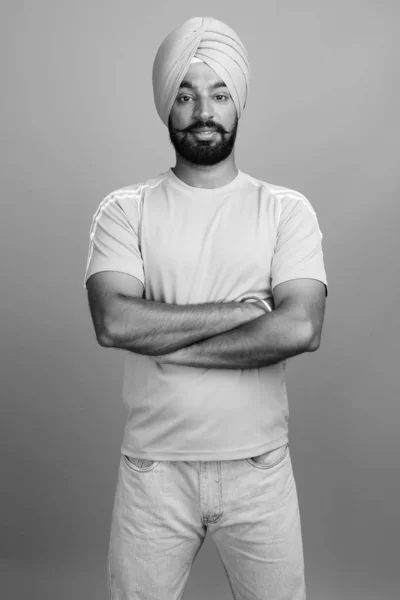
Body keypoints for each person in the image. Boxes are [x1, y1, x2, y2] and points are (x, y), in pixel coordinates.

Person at [84, 16, 328, 600]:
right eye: (187, 94)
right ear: (168, 106)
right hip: (153, 473)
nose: (203, 110)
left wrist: (167, 341)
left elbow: (300, 326)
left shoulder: (285, 210)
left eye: (219, 93)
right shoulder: (125, 211)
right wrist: (244, 312)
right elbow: (115, 321)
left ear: (238, 102)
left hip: (260, 471)